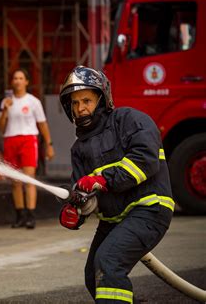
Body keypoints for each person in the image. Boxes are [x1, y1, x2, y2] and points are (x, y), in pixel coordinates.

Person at [58, 66, 174, 303]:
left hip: (149, 208)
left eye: (87, 100)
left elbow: (145, 161)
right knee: (93, 276)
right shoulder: (79, 149)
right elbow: (85, 194)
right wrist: (76, 210)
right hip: (114, 220)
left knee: (109, 262)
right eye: (75, 103)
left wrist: (102, 180)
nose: (81, 108)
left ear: (103, 98)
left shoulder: (130, 120)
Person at [0, 69, 55, 229]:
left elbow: (42, 124)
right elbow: (1, 128)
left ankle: (31, 215)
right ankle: (20, 215)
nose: (17, 81)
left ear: (26, 82)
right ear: (12, 82)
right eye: (15, 78)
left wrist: (49, 144)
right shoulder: (6, 102)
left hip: (28, 139)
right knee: (15, 182)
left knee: (29, 179)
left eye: (21, 78)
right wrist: (4, 111)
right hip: (10, 139)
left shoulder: (33, 101)